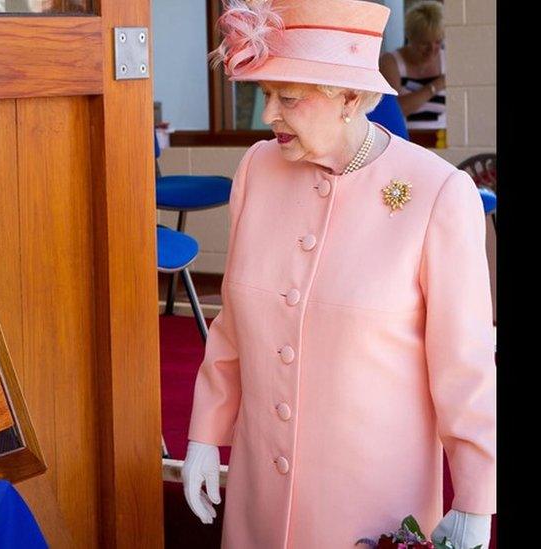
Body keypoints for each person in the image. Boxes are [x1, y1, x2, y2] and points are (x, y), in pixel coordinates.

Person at [181, 0, 496, 547]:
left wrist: (474, 500)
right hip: (258, 499)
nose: (267, 116)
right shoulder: (257, 169)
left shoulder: (438, 194)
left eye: (287, 97)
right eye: (263, 94)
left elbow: (464, 367)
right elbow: (233, 323)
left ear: (351, 97)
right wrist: (205, 435)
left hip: (369, 503)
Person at [379, 1, 446, 130]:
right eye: (425, 43)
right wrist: (434, 87)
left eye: (438, 42)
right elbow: (394, 111)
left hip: (442, 139)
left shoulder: (447, 59)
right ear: (410, 38)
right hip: (404, 138)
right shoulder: (391, 62)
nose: (432, 49)